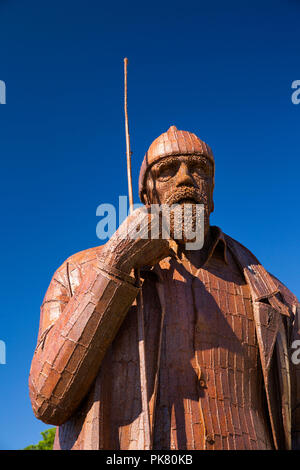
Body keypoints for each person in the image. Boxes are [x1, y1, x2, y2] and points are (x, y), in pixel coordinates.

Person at [29, 126, 300, 450]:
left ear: (212, 190)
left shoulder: (275, 299)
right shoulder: (78, 272)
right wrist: (115, 268)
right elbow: (48, 399)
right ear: (146, 195)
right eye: (167, 171)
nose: (185, 178)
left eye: (199, 169)